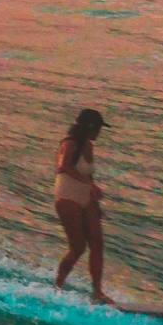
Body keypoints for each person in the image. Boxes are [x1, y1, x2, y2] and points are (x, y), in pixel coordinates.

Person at [53, 108, 110, 302]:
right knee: (77, 247)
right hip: (68, 196)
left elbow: (88, 174)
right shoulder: (70, 143)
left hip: (85, 197)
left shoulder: (88, 145)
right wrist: (88, 185)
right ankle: (57, 287)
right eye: (98, 128)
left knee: (97, 242)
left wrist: (93, 192)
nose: (99, 133)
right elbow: (64, 167)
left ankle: (97, 292)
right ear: (89, 127)